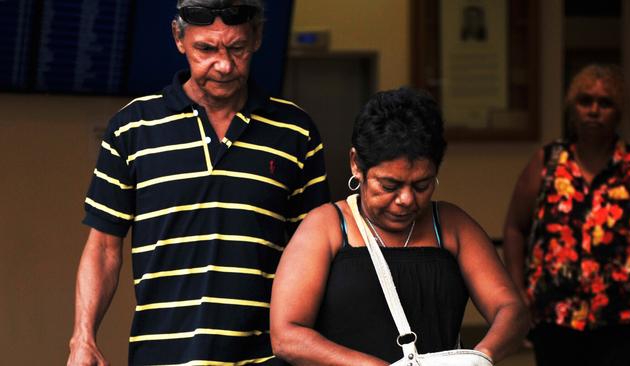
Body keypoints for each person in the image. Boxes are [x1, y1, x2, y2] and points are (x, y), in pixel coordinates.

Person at [66, 0, 330, 364]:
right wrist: (83, 337)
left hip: (264, 359)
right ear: (178, 38)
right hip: (160, 357)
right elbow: (103, 248)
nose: (223, 65)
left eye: (236, 48)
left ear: (257, 38)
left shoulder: (295, 132)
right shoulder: (132, 128)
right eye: (205, 48)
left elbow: (321, 251)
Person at [269, 87, 528, 365]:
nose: (405, 200)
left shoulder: (453, 226)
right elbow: (287, 336)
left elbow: (511, 309)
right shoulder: (327, 227)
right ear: (356, 164)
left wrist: (481, 356)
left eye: (422, 185)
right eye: (389, 185)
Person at [503, 64, 630, 366]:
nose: (594, 110)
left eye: (605, 102)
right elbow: (516, 228)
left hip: (624, 320)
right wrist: (518, 292)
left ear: (618, 111)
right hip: (556, 318)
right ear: (572, 107)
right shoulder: (548, 162)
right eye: (585, 101)